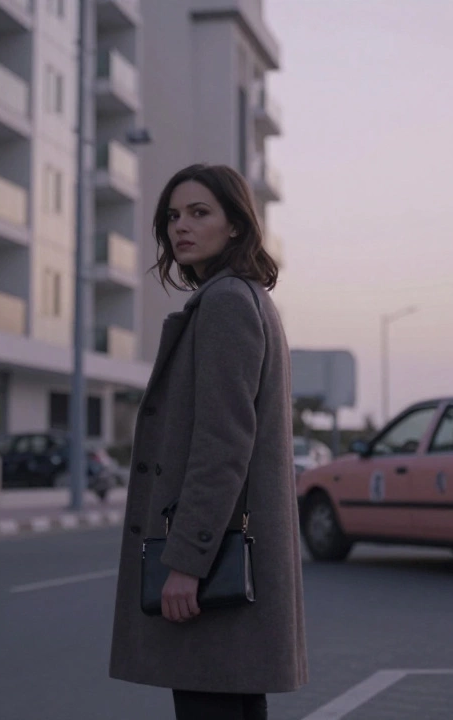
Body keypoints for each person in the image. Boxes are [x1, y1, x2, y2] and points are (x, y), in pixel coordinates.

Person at [109, 164, 308, 719]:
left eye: (200, 213)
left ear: (237, 226)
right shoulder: (251, 300)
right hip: (234, 560)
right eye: (173, 216)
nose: (181, 227)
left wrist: (187, 562)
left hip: (210, 565)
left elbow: (223, 444)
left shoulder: (224, 304)